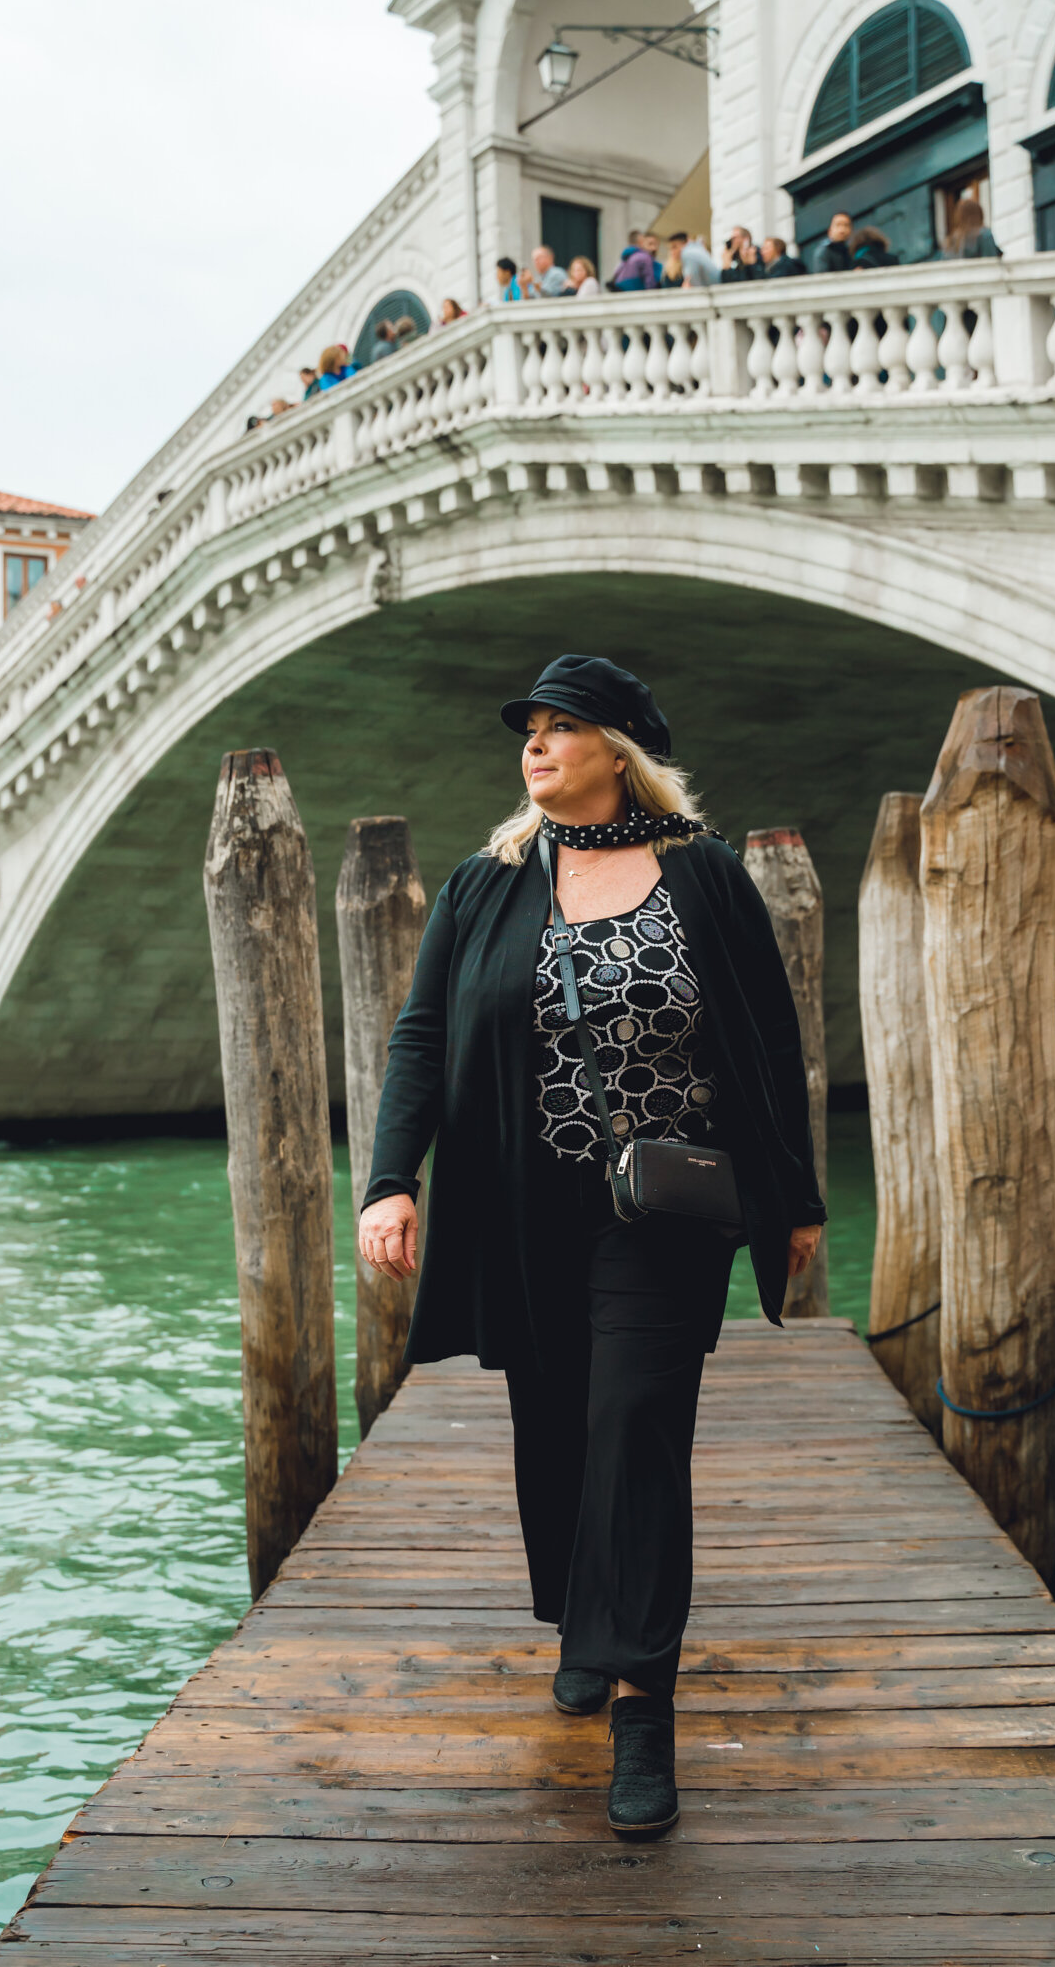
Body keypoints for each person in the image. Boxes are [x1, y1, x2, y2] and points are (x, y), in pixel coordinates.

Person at [358, 654, 825, 1841]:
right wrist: (389, 1180)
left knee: (634, 1425)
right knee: (557, 1419)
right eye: (531, 728)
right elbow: (419, 1038)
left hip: (668, 1210)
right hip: (523, 1202)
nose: (538, 743)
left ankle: (638, 1701)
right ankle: (579, 1613)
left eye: (564, 727)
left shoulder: (703, 874)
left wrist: (798, 1199)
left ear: (619, 749)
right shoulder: (486, 883)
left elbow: (770, 1042)